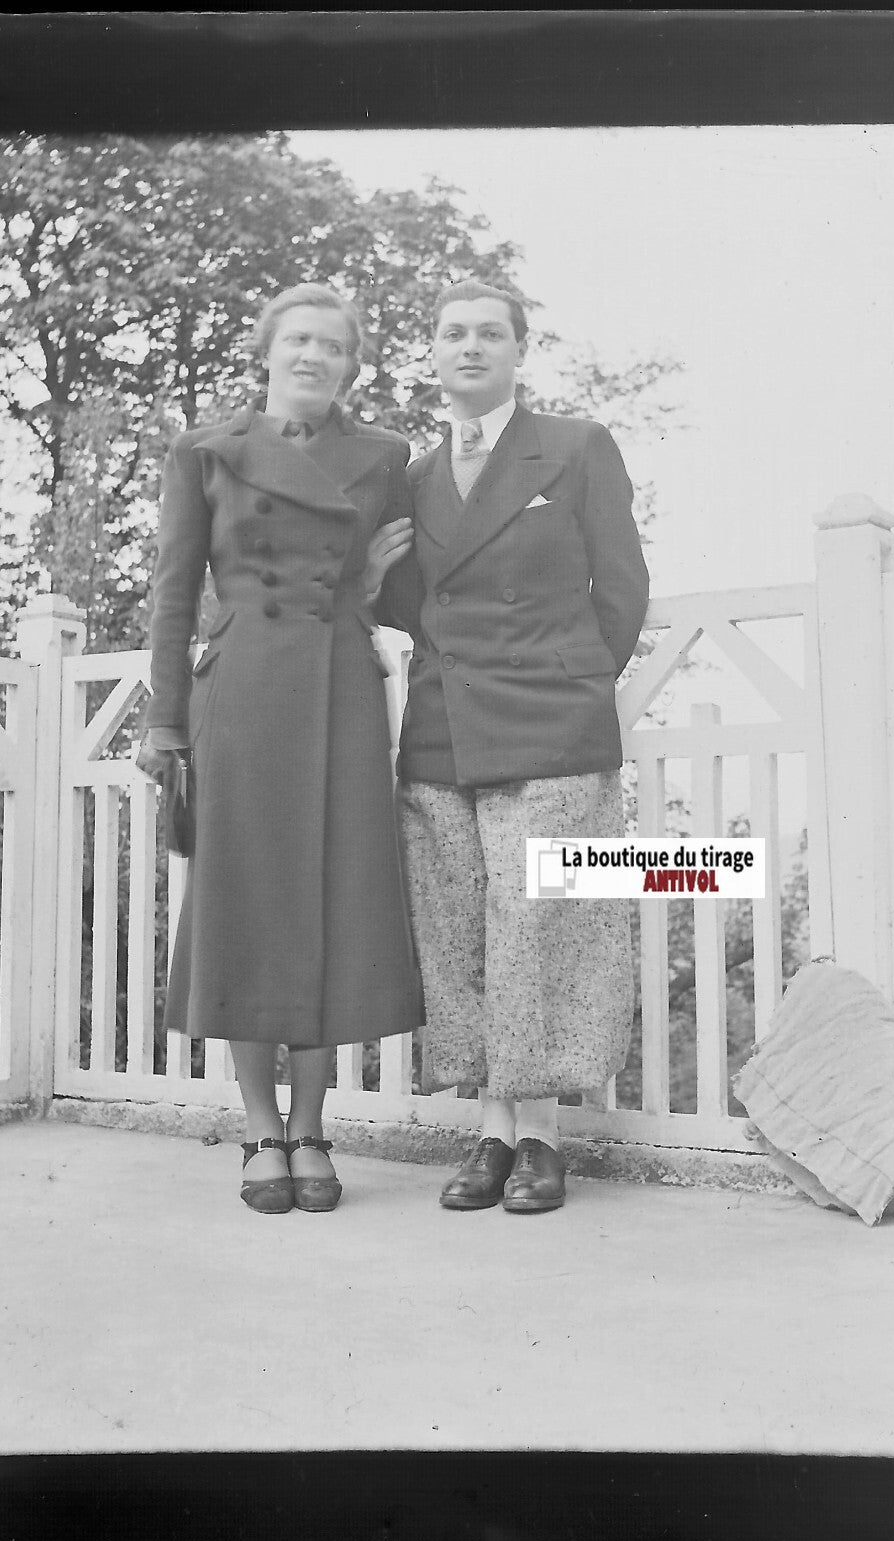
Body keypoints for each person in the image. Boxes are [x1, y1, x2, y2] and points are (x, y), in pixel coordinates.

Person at [137, 283, 423, 1215]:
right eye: (298, 340)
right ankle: (262, 1130)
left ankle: (312, 1128)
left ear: (351, 364)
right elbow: (175, 597)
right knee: (249, 902)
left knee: (334, 900)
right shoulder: (205, 453)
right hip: (247, 690)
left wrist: (372, 587)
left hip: (338, 684)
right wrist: (164, 722)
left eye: (333, 347)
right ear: (265, 350)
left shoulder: (384, 456)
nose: (313, 357)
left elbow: (385, 589)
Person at [374, 279, 649, 1213]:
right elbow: (409, 600)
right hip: (445, 727)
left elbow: (620, 589)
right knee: (462, 931)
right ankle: (489, 1135)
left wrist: (570, 683)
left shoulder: (574, 447)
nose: (470, 348)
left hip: (551, 724)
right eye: (452, 333)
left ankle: (541, 1138)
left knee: (544, 928)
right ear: (433, 352)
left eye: (490, 333)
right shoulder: (408, 476)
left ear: (518, 350)